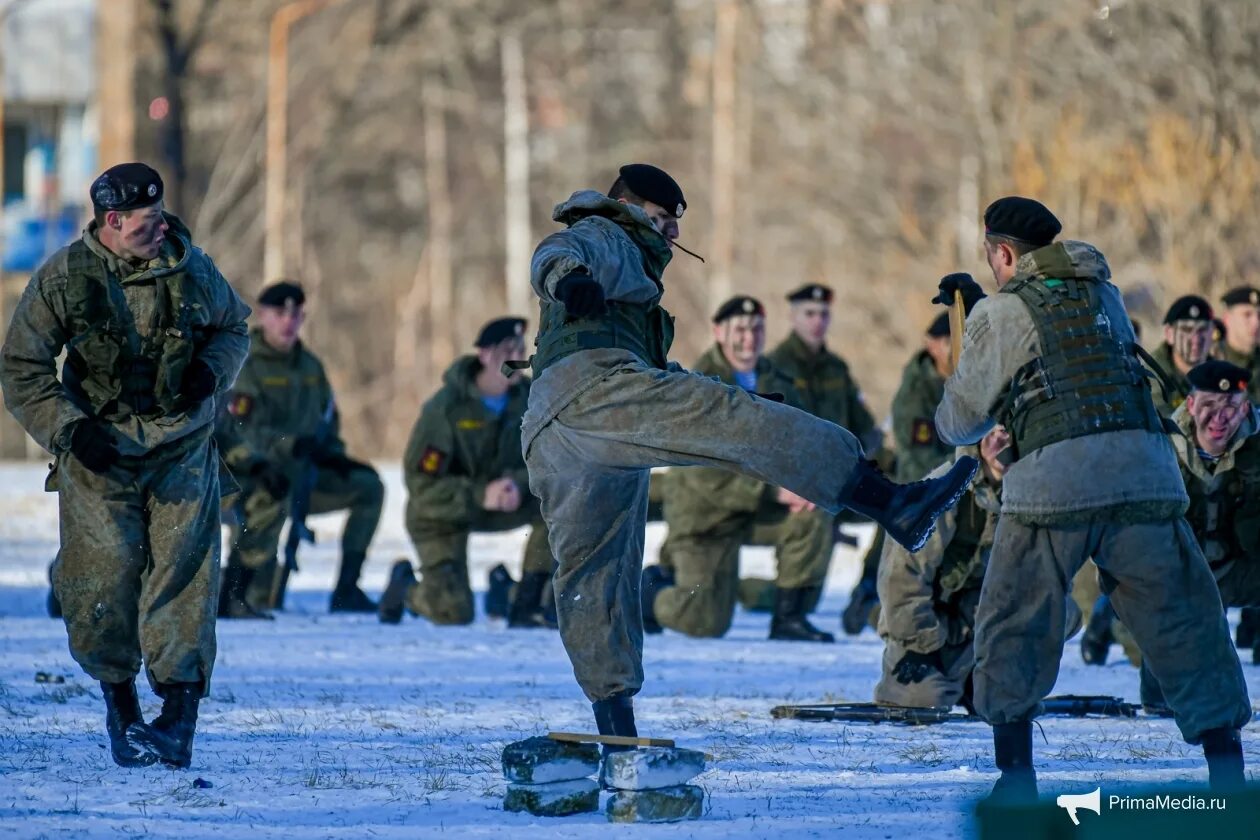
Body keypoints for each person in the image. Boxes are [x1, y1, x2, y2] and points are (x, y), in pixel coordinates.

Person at [521, 162, 977, 746]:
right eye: (662, 221)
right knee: (742, 423)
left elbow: (649, 370)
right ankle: (891, 503)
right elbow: (555, 253)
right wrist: (567, 279)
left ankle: (616, 732)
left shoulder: (624, 274)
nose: (671, 237)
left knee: (596, 577)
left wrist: (720, 391)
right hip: (595, 395)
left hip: (553, 431)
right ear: (630, 206)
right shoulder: (603, 234)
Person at [936, 195, 1249, 800]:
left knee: (1014, 619)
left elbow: (961, 421)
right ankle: (1227, 775)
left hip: (1055, 487)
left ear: (1002, 254)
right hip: (1147, 477)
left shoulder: (999, 315)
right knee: (1186, 621)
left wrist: (974, 328)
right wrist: (986, 314)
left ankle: (1017, 779)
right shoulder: (1104, 293)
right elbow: (1065, 352)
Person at [0, 163, 251, 769]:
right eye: (146, 222)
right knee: (105, 575)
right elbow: (22, 368)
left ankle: (178, 719)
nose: (159, 228)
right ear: (111, 221)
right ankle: (122, 707)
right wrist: (69, 429)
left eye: (161, 216)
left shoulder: (193, 266)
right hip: (100, 451)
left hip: (181, 445)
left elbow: (234, 327)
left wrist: (210, 371)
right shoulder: (65, 277)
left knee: (183, 577)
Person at [644, 295, 835, 643]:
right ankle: (647, 595)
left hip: (757, 510)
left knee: (812, 515)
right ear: (719, 332)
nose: (749, 338)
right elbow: (701, 472)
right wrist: (774, 490)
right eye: (740, 329)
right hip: (705, 516)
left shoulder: (778, 380)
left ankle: (790, 618)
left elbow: (800, 439)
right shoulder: (697, 385)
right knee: (705, 622)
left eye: (757, 329)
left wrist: (803, 484)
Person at [216, 281, 384, 616]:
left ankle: (347, 589)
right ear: (263, 315)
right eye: (280, 313)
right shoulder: (243, 363)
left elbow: (327, 419)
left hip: (302, 473)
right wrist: (284, 448)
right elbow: (237, 431)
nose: (288, 321)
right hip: (244, 472)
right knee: (263, 582)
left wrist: (331, 454)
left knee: (368, 486)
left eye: (297, 314)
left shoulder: (310, 367)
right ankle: (234, 594)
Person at [379, 317, 555, 628]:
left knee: (558, 503)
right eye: (507, 349)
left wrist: (517, 483)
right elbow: (421, 484)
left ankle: (525, 599)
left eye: (520, 348)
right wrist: (479, 494)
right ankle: (406, 589)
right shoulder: (446, 409)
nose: (518, 355)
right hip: (442, 511)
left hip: (504, 503)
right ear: (485, 354)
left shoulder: (531, 400)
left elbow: (552, 460)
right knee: (454, 611)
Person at [874, 427, 1008, 710]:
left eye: (1008, 434)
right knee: (924, 701)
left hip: (981, 623)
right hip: (928, 624)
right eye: (991, 432)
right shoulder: (944, 487)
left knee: (1063, 610)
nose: (998, 442)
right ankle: (956, 677)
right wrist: (922, 643)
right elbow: (901, 577)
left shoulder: (1033, 495)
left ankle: (982, 677)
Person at [1149, 295, 1214, 416]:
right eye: (1186, 330)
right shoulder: (1152, 375)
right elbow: (1165, 424)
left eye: (1202, 330)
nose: (1196, 339)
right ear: (1169, 334)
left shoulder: (1221, 372)